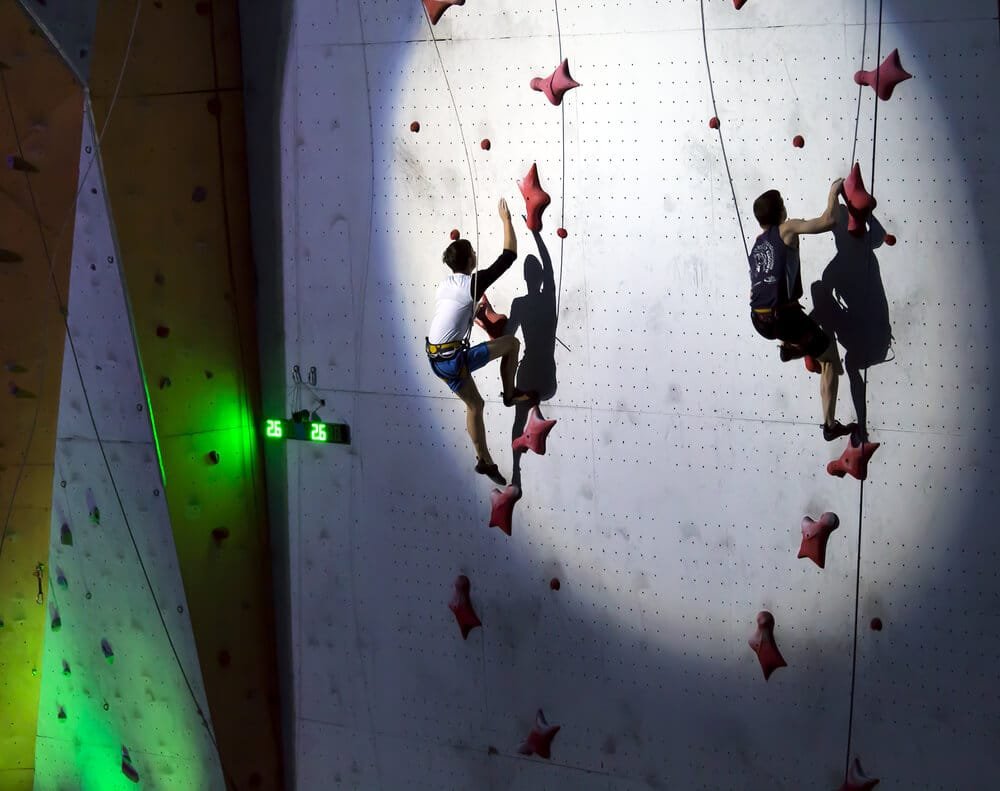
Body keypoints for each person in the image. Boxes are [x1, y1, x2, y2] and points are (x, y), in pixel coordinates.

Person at [426, 198, 536, 485]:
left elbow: (454, 313)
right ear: (470, 261)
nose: (476, 254)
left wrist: (474, 312)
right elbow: (508, 256)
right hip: (453, 359)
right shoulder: (473, 283)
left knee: (475, 405)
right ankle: (510, 395)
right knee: (511, 344)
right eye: (473, 252)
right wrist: (506, 220)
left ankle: (483, 460)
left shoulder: (446, 285)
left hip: (436, 359)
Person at [748, 180, 857, 442]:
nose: (786, 206)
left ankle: (791, 347)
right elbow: (829, 220)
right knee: (829, 357)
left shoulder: (757, 245)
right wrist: (833, 192)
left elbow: (759, 287)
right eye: (783, 203)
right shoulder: (788, 229)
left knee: (805, 318)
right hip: (783, 319)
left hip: (759, 319)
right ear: (779, 213)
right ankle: (830, 426)